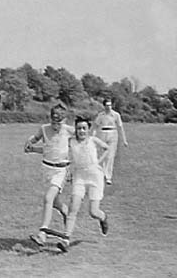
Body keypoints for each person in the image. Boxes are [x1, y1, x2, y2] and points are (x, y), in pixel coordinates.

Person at [44, 115, 110, 252]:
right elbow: (60, 151)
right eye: (79, 128)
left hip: (95, 177)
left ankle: (103, 218)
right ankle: (66, 239)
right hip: (79, 176)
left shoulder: (92, 140)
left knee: (93, 212)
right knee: (73, 208)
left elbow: (107, 148)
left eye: (84, 128)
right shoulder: (71, 141)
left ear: (88, 130)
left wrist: (98, 162)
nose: (81, 131)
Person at [24, 103, 74, 246]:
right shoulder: (44, 129)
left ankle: (42, 234)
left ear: (64, 121)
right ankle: (66, 238)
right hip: (47, 170)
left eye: (58, 122)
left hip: (61, 170)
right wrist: (30, 145)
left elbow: (84, 140)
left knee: (48, 198)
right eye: (53, 121)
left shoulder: (69, 131)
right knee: (58, 205)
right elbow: (43, 146)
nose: (55, 125)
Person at [92, 98, 128, 185]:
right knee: (102, 155)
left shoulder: (116, 115)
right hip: (102, 134)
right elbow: (95, 126)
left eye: (110, 105)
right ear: (104, 106)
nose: (109, 107)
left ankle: (108, 177)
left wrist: (124, 140)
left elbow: (120, 127)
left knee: (110, 156)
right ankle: (101, 173)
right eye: (107, 105)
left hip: (113, 134)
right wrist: (91, 136)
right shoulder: (101, 115)